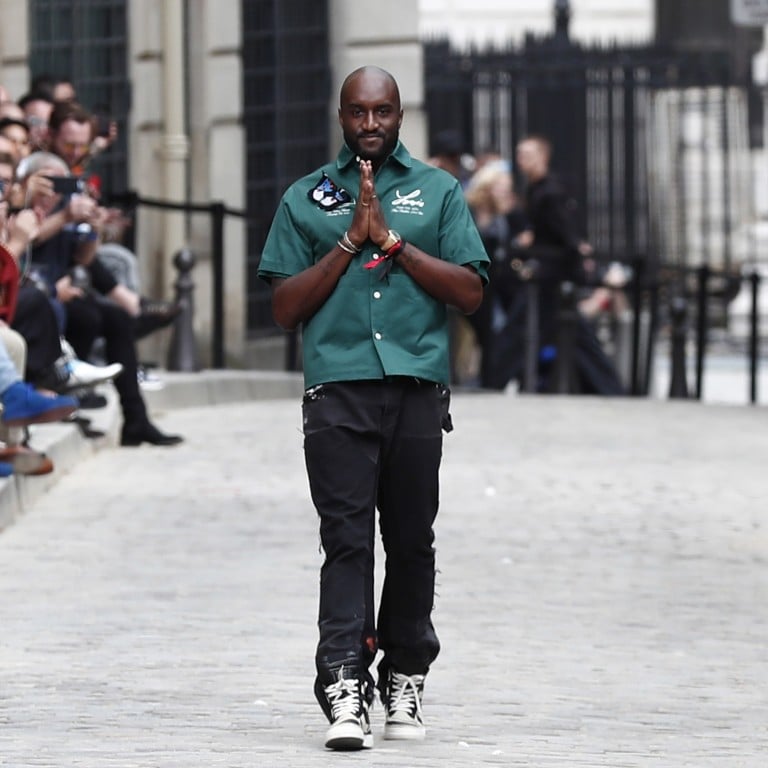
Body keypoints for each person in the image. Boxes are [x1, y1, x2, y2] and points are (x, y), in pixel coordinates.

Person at [258, 66, 489, 751]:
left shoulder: (440, 192)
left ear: (399, 113)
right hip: (338, 391)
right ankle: (343, 683)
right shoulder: (305, 199)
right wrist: (348, 242)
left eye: (382, 111)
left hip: (416, 390)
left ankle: (406, 675)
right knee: (348, 542)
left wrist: (393, 243)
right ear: (340, 115)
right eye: (358, 112)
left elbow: (470, 293)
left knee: (412, 542)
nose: (370, 124)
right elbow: (284, 309)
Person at [514, 134, 624, 395]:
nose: (522, 160)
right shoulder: (536, 189)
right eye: (520, 155)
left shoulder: (550, 191)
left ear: (543, 157)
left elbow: (566, 232)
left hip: (554, 275)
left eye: (528, 155)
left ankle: (608, 387)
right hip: (551, 274)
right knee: (569, 334)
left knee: (573, 334)